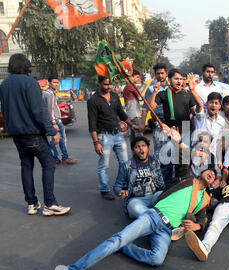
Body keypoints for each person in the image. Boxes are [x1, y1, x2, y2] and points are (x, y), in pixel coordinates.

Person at [49, 167, 217, 270]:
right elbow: (182, 159)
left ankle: (125, 248)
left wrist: (198, 226)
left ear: (213, 183)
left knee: (157, 259)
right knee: (118, 238)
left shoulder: (205, 200)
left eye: (214, 175)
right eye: (209, 171)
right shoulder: (186, 179)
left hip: (166, 231)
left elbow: (202, 219)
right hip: (152, 216)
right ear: (200, 172)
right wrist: (178, 142)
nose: (211, 174)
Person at [0, 54, 71, 216]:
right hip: (32, 133)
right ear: (25, 65)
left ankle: (31, 203)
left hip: (16, 134)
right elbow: (39, 111)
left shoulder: (4, 85)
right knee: (49, 164)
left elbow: (4, 110)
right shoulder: (30, 83)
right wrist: (53, 131)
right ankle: (50, 204)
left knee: (26, 166)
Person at [87, 76, 143, 200]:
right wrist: (96, 142)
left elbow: (122, 114)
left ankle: (125, 187)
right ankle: (104, 189)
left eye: (110, 84)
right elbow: (92, 124)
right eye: (106, 84)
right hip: (103, 136)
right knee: (104, 165)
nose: (109, 87)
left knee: (125, 164)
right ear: (99, 83)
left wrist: (133, 125)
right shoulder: (93, 101)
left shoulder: (114, 96)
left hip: (118, 134)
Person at [147, 69, 203, 185]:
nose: (179, 81)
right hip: (170, 132)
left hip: (186, 129)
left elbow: (197, 110)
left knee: (183, 161)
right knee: (166, 162)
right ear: (169, 79)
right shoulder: (163, 94)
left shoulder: (187, 94)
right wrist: (154, 92)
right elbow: (150, 106)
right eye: (176, 79)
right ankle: (166, 187)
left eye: (182, 79)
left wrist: (195, 94)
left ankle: (181, 185)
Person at [113, 136, 166, 219]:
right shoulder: (126, 166)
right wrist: (120, 192)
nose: (141, 149)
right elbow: (117, 185)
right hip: (136, 200)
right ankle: (155, 216)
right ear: (133, 151)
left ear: (148, 148)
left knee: (164, 196)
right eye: (137, 147)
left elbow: (163, 182)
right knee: (134, 208)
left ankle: (149, 217)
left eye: (143, 146)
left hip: (154, 197)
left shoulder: (155, 162)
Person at [42, 75, 78, 166]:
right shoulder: (49, 94)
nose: (56, 84)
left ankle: (62, 158)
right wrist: (54, 122)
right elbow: (50, 110)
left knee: (61, 139)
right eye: (54, 82)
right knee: (55, 140)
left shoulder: (51, 92)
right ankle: (56, 159)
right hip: (54, 120)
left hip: (57, 120)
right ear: (49, 83)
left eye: (57, 82)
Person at [144, 63, 169, 159]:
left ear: (166, 74)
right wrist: (142, 123)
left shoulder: (171, 87)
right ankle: (158, 173)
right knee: (159, 151)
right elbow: (146, 107)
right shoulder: (150, 89)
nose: (160, 75)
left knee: (172, 150)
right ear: (155, 75)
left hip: (170, 123)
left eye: (162, 73)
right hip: (158, 123)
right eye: (158, 73)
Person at [192, 91, 225, 158]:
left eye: (216, 103)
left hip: (212, 157)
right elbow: (199, 106)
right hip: (198, 154)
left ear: (219, 106)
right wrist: (193, 90)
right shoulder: (200, 116)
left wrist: (219, 160)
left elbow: (218, 142)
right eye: (211, 102)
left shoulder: (221, 121)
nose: (213, 105)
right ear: (207, 104)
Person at [122, 70, 145, 143]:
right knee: (139, 136)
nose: (138, 79)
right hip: (135, 114)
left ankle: (134, 152)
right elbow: (141, 98)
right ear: (131, 77)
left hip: (130, 114)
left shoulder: (126, 87)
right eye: (137, 77)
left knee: (133, 136)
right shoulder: (131, 86)